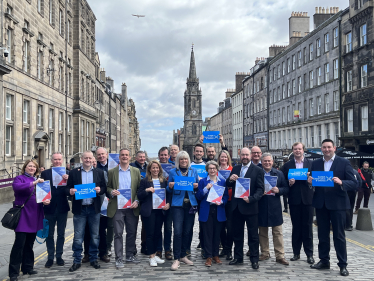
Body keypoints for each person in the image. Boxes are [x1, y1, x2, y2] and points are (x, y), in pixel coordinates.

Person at [308, 139, 357, 277]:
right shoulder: (316, 163)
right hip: (321, 204)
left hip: (338, 205)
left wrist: (342, 182)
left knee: (339, 236)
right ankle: (324, 261)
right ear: (321, 149)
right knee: (322, 235)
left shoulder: (344, 162)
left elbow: (354, 183)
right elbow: (313, 183)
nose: (326, 150)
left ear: (334, 148)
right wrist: (310, 182)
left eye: (329, 147)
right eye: (324, 147)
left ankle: (342, 264)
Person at [8, 160, 50, 281]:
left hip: (35, 215)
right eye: (29, 166)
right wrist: (35, 182)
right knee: (19, 244)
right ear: (25, 167)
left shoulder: (39, 181)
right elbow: (17, 188)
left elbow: (41, 196)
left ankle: (27, 267)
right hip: (23, 214)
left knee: (29, 243)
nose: (32, 168)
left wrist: (46, 201)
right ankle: (13, 273)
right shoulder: (19, 178)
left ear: (36, 169)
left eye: (34, 167)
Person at [66, 151, 107, 272]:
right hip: (80, 209)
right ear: (82, 159)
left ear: (93, 159)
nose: (88, 160)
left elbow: (104, 188)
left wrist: (100, 190)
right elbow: (67, 188)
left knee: (95, 236)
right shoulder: (74, 173)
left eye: (90, 158)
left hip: (94, 208)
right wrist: (71, 191)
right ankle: (76, 260)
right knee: (78, 236)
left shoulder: (99, 172)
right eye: (86, 158)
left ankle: (93, 258)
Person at [226, 147, 265, 269]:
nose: (244, 157)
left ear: (251, 156)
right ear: (240, 155)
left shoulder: (258, 170)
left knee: (253, 235)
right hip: (237, 207)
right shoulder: (236, 168)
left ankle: (254, 259)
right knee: (237, 234)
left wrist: (252, 198)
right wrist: (230, 180)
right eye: (242, 155)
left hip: (251, 207)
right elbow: (228, 184)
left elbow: (260, 189)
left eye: (247, 155)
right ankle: (238, 257)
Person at [106, 148, 141, 269]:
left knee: (131, 232)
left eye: (126, 155)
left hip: (132, 207)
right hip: (117, 207)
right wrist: (112, 192)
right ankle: (118, 258)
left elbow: (139, 189)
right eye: (122, 155)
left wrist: (137, 200)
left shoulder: (136, 171)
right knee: (118, 233)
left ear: (130, 157)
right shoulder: (112, 172)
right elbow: (108, 188)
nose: (124, 157)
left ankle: (130, 255)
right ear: (119, 157)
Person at [282, 142, 314, 264]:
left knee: (308, 227)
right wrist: (289, 183)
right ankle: (296, 253)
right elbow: (283, 181)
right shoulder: (287, 165)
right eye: (295, 149)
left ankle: (309, 254)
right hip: (294, 200)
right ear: (293, 150)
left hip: (308, 200)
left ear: (303, 150)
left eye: (299, 149)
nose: (297, 151)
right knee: (296, 227)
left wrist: (311, 181)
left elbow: (315, 181)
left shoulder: (311, 164)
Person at [167, 151, 199, 271]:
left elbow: (198, 187)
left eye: (186, 159)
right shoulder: (172, 172)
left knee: (187, 231)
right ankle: (176, 258)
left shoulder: (193, 171)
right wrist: (169, 186)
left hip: (190, 204)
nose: (184, 161)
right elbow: (168, 189)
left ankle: (183, 255)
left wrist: (197, 185)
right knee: (178, 232)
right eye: (181, 159)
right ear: (178, 161)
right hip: (177, 205)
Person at [258, 153, 289, 265]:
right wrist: (259, 192)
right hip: (261, 205)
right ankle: (265, 253)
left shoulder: (279, 174)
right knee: (262, 232)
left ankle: (280, 255)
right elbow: (252, 188)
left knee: (277, 232)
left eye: (269, 161)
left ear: (272, 162)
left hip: (275, 206)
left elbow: (286, 189)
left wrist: (279, 190)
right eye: (265, 161)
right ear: (262, 162)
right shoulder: (258, 173)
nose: (267, 163)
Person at [137, 160, 170, 266]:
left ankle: (155, 254)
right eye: (153, 168)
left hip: (160, 210)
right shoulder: (145, 181)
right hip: (149, 211)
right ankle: (151, 256)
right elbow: (139, 195)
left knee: (157, 233)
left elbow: (167, 194)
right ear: (149, 169)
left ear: (159, 169)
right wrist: (147, 190)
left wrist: (168, 203)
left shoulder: (163, 180)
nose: (155, 170)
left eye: (157, 168)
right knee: (150, 234)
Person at [196, 161, 229, 267]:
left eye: (214, 168)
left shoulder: (222, 181)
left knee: (217, 234)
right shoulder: (203, 182)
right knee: (207, 234)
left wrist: (222, 202)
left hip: (218, 209)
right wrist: (206, 188)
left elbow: (226, 197)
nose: (212, 170)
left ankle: (216, 255)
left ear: (217, 169)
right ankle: (208, 256)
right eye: (210, 168)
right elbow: (198, 196)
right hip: (207, 210)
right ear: (207, 170)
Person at [41, 152, 70, 268]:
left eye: (59, 159)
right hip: (49, 207)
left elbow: (71, 190)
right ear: (51, 161)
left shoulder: (68, 173)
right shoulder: (45, 173)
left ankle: (59, 256)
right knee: (49, 234)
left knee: (61, 234)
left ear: (62, 160)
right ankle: (50, 257)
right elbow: (41, 190)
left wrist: (69, 181)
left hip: (62, 207)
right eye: (55, 159)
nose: (57, 161)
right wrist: (43, 200)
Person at [130, 150, 148, 254]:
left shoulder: (148, 167)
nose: (142, 158)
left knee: (145, 224)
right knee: (133, 224)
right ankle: (132, 247)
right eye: (140, 157)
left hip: (145, 198)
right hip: (134, 198)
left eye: (143, 157)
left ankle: (144, 244)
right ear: (136, 158)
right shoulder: (132, 167)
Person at [217, 150, 234, 260]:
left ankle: (229, 249)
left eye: (225, 157)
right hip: (219, 201)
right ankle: (223, 248)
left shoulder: (233, 170)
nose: (223, 159)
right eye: (222, 157)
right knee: (221, 227)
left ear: (228, 159)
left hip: (231, 200)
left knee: (230, 227)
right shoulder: (216, 170)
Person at [190, 144, 206, 257]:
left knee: (203, 221)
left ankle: (203, 242)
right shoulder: (189, 166)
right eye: (197, 151)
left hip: (203, 197)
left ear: (203, 153)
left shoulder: (206, 166)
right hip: (191, 197)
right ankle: (187, 246)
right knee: (189, 223)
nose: (199, 153)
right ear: (194, 152)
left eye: (201, 151)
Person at [158, 147, 173, 260]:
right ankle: (158, 249)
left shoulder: (173, 169)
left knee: (168, 228)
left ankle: (167, 249)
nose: (163, 157)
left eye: (165, 155)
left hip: (169, 203)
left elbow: (175, 190)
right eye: (161, 155)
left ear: (169, 156)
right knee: (157, 228)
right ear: (159, 156)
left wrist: (169, 203)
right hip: (157, 203)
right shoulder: (154, 168)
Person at [346, 166, 361, 231]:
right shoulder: (355, 172)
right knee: (351, 208)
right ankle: (349, 224)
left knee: (345, 208)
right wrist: (356, 189)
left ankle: (346, 224)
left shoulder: (345, 171)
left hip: (346, 191)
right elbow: (360, 181)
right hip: (353, 191)